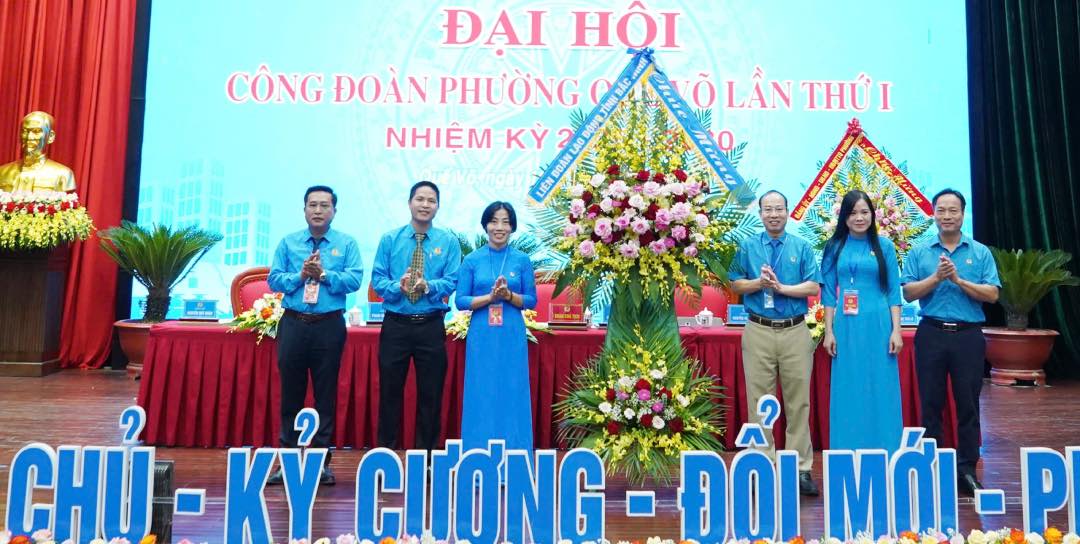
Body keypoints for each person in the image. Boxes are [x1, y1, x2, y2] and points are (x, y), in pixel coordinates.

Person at [901, 189, 999, 495]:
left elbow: (993, 294)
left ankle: (966, 468)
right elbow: (908, 293)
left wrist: (958, 281)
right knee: (931, 403)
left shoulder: (980, 252)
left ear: (963, 214)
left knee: (968, 404)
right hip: (931, 333)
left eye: (953, 210)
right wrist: (937, 278)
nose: (947, 216)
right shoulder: (920, 252)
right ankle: (932, 467)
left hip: (968, 336)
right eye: (941, 210)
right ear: (933, 214)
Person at [267, 185, 363, 486]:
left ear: (334, 210)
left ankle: (320, 463)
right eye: (313, 205)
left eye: (324, 205)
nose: (318, 210)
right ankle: (288, 461)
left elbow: (355, 279)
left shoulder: (346, 244)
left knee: (325, 394)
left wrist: (323, 275)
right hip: (294, 323)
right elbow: (274, 279)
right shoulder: (289, 242)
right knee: (291, 395)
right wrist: (300, 275)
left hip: (328, 325)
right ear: (304, 209)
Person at [729, 190, 822, 496]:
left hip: (795, 330)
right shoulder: (748, 246)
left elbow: (813, 286)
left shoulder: (801, 246)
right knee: (759, 402)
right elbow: (735, 283)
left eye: (778, 209)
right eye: (767, 209)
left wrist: (781, 288)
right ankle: (761, 465)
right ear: (760, 214)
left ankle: (800, 468)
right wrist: (760, 283)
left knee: (798, 402)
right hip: (758, 329)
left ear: (787, 211)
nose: (773, 214)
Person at [372, 181, 461, 451]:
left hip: (430, 326)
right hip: (395, 325)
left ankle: (428, 458)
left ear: (438, 206)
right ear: (409, 203)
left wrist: (429, 286)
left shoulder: (448, 241)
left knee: (431, 396)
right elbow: (378, 279)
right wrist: (396, 287)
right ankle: (386, 455)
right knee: (389, 393)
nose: (425, 205)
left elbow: (453, 279)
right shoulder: (390, 239)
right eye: (420, 199)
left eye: (431, 200)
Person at [821, 190, 903, 452]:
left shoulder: (884, 246)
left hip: (879, 325)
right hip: (846, 326)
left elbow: (894, 291)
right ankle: (847, 448)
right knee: (849, 384)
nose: (859, 218)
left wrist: (896, 330)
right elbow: (828, 292)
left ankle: (886, 447)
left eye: (864, 212)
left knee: (881, 384)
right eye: (853, 213)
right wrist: (829, 331)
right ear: (844, 217)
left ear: (872, 215)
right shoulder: (834, 247)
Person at [455, 201, 537, 452]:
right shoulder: (472, 260)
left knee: (513, 390)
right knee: (481, 391)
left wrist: (508, 296)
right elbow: (460, 300)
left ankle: (516, 452)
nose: (499, 227)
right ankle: (476, 452)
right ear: (485, 225)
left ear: (512, 227)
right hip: (482, 334)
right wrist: (490, 298)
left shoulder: (522, 260)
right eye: (494, 221)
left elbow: (531, 300)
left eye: (505, 222)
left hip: (511, 333)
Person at [0, 111, 76, 193]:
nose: (29, 137)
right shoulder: (3, 172)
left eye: (36, 131)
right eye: (25, 131)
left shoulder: (63, 175)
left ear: (50, 137)